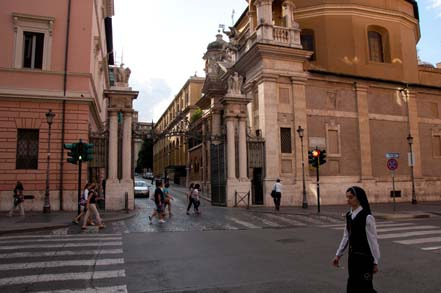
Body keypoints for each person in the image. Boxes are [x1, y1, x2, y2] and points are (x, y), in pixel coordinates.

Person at [332, 186, 380, 293]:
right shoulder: (349, 215)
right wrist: (338, 255)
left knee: (366, 287)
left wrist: (375, 262)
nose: (348, 200)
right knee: (352, 286)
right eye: (347, 197)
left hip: (365, 259)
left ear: (358, 198)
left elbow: (373, 241)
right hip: (353, 258)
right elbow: (346, 236)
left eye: (351, 197)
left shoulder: (367, 217)